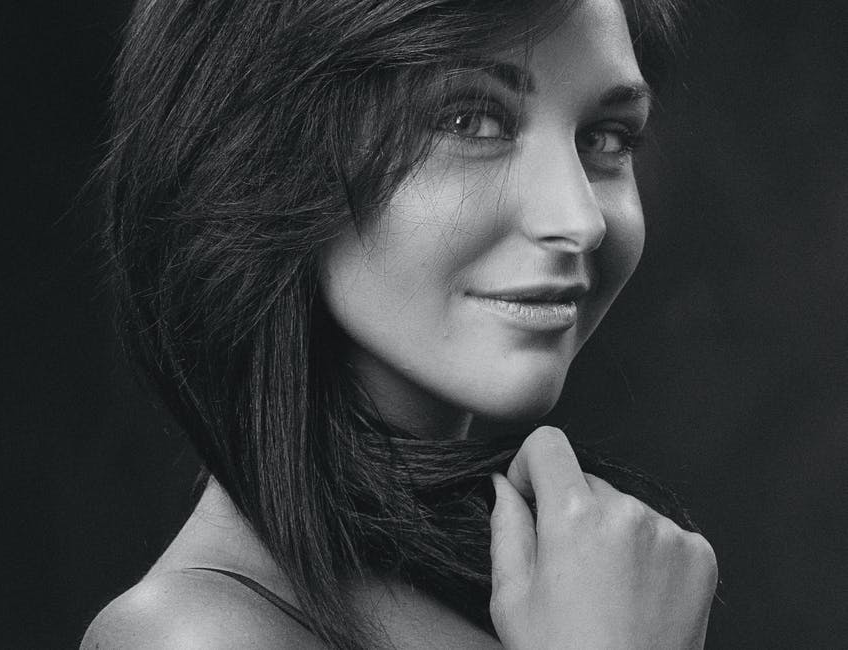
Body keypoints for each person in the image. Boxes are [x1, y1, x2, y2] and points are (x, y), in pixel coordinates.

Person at [83, 0, 718, 647]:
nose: (581, 221)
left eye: (607, 137)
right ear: (254, 157)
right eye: (470, 121)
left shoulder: (558, 585)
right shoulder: (192, 635)